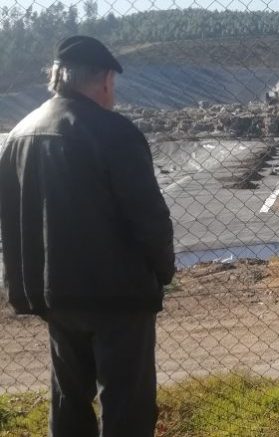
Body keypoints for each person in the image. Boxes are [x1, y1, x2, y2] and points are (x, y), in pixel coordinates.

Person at [0, 36, 175, 437]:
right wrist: (163, 271)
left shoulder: (20, 133)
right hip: (119, 295)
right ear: (106, 80)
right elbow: (150, 218)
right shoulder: (115, 133)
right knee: (127, 403)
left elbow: (10, 215)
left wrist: (26, 286)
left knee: (68, 397)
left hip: (55, 294)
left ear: (57, 78)